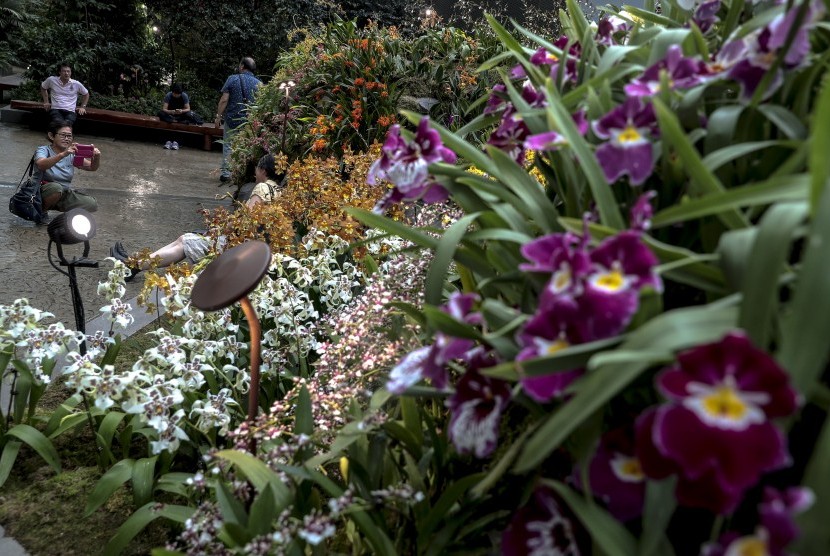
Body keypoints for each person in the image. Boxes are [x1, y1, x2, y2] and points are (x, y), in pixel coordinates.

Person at [110, 153, 283, 281]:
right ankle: (136, 263)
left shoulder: (262, 188)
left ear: (263, 170)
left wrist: (220, 231)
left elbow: (246, 221)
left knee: (185, 242)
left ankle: (135, 265)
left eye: (257, 168)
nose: (255, 172)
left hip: (240, 249)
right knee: (184, 239)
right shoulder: (279, 191)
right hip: (257, 249)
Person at [33, 119, 100, 215]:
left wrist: (96, 157)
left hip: (64, 193)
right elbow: (41, 164)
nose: (67, 138)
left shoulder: (72, 154)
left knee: (92, 204)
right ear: (51, 136)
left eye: (69, 136)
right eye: (63, 135)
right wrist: (63, 154)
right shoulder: (43, 150)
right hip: (42, 192)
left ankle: (69, 218)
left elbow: (92, 167)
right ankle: (41, 212)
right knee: (56, 188)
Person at [214, 57, 262, 183]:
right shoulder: (259, 84)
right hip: (248, 122)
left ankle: (226, 174)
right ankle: (241, 174)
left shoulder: (233, 79)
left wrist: (218, 117)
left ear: (242, 66)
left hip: (232, 120)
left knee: (228, 146)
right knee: (245, 147)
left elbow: (224, 100)